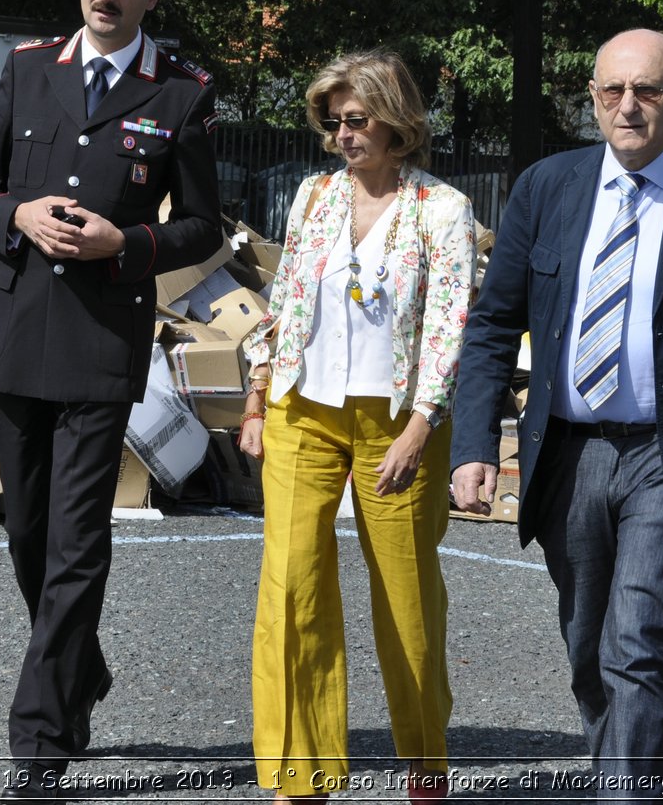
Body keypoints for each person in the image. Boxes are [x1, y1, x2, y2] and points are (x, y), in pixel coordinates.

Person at [450, 29, 663, 801]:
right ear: (594, 99)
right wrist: (471, 441)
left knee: (639, 637)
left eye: (647, 91)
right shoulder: (547, 188)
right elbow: (491, 326)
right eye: (613, 91)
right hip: (567, 453)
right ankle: (621, 773)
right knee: (588, 646)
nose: (628, 106)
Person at [0, 0, 223, 801]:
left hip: (105, 343)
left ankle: (37, 744)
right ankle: (81, 669)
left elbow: (202, 227)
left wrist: (124, 243)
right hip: (20, 332)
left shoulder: (182, 90)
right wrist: (13, 216)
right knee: (27, 533)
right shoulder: (30, 69)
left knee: (77, 543)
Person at [239, 50, 476, 802]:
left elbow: (449, 327)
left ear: (397, 121)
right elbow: (285, 303)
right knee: (291, 587)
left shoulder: (442, 207)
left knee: (406, 598)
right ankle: (298, 780)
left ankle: (425, 765)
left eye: (356, 118)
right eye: (332, 120)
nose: (342, 133)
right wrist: (256, 393)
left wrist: (419, 427)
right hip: (301, 410)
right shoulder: (311, 196)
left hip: (397, 419)